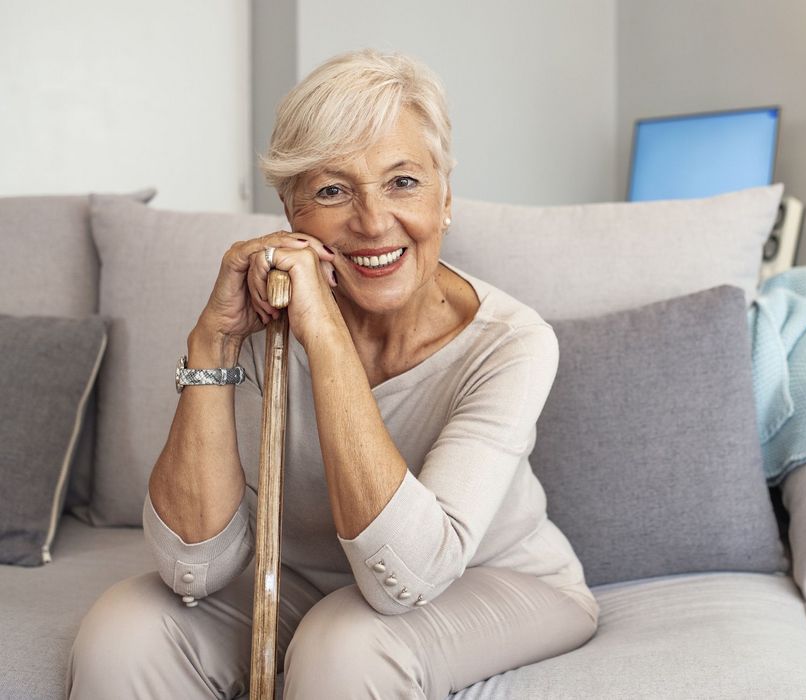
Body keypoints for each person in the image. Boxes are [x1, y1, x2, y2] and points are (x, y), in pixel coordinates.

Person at [68, 49, 598, 699]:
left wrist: (325, 337)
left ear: (445, 197)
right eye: (332, 190)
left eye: (402, 182)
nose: (373, 222)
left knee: (344, 645)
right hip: (300, 581)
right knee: (123, 632)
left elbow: (402, 578)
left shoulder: (512, 343)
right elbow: (192, 569)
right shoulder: (258, 323)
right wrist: (214, 340)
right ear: (293, 214)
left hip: (491, 580)